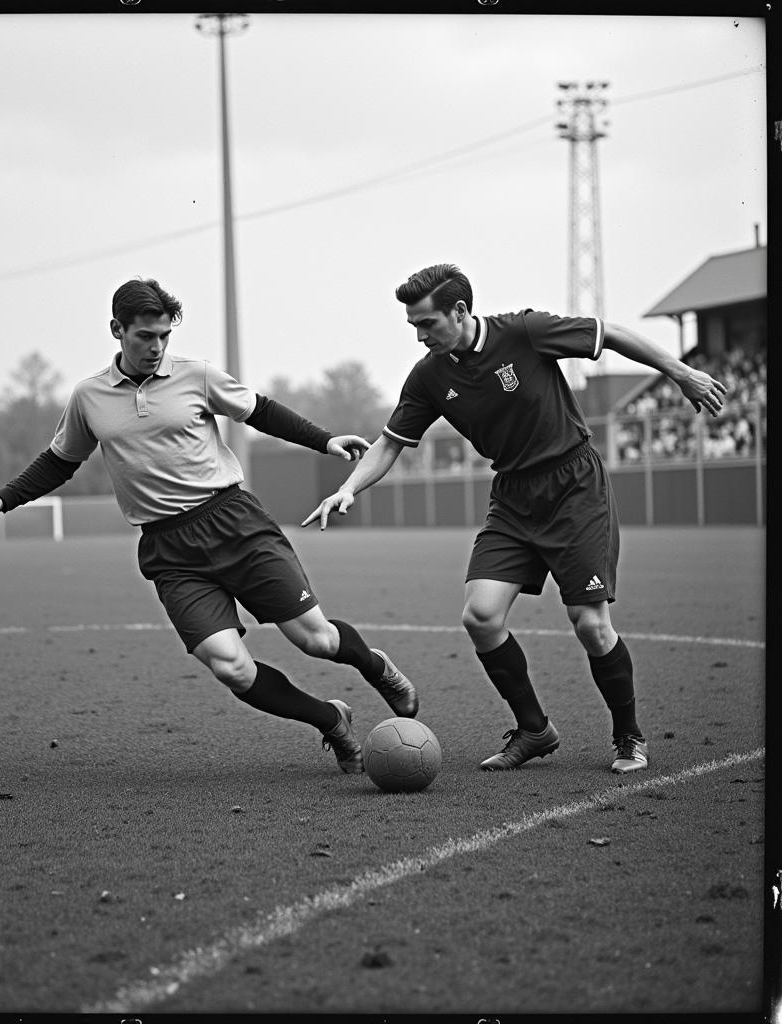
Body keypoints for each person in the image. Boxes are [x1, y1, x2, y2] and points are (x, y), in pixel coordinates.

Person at [0, 277, 419, 774]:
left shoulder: (196, 375)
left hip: (233, 524)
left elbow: (259, 410)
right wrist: (1, 500)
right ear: (117, 330)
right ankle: (330, 720)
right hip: (169, 550)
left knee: (318, 641)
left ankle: (375, 667)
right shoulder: (88, 397)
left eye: (164, 336)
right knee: (232, 668)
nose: (156, 347)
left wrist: (324, 441)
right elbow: (60, 461)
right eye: (145, 336)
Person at [303, 263, 728, 774]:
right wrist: (347, 489)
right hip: (513, 497)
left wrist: (680, 372)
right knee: (480, 616)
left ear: (460, 312)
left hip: (574, 486)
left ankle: (628, 735)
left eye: (427, 323)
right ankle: (534, 729)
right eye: (412, 326)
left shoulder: (524, 331)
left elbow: (608, 333)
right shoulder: (429, 376)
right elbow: (391, 442)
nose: (419, 336)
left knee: (591, 626)